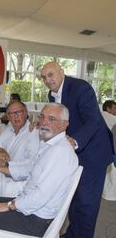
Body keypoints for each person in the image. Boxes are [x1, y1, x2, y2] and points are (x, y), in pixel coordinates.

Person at [0, 103, 78, 238]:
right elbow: (29, 167)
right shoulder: (49, 145)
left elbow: (41, 196)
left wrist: (10, 205)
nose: (44, 122)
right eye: (42, 117)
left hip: (35, 219)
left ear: (64, 125)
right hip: (27, 204)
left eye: (51, 119)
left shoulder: (60, 152)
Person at [41, 61, 114, 238]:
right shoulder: (52, 95)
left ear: (62, 71)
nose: (47, 80)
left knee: (86, 202)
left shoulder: (81, 88)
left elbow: (92, 121)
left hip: (93, 151)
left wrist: (74, 141)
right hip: (73, 151)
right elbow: (61, 120)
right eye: (44, 77)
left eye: (51, 74)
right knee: (73, 195)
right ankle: (73, 233)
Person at [0, 101, 39, 196]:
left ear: (26, 113)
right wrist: (0, 150)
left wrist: (6, 164)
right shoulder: (9, 131)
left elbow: (32, 164)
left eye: (18, 112)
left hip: (19, 188)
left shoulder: (34, 132)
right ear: (7, 117)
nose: (15, 116)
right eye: (11, 114)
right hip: (1, 176)